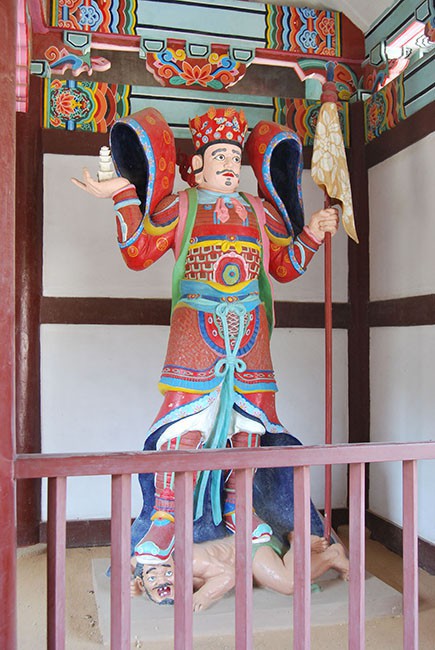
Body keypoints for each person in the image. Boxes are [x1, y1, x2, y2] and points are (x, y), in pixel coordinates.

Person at [72, 106, 339, 566]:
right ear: (196, 165)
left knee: (247, 425)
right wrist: (122, 194)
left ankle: (240, 506)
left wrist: (312, 235)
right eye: (219, 156)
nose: (230, 164)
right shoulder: (180, 206)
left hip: (250, 331)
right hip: (196, 327)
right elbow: (138, 253)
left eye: (235, 157)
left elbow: (282, 268)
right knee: (185, 424)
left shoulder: (260, 211)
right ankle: (165, 516)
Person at [130, 532, 349, 611]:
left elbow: (229, 574)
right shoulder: (146, 567)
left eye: (166, 573)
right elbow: (132, 563)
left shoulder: (192, 560)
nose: (161, 579)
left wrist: (205, 595)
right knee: (275, 580)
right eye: (152, 578)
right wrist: (138, 587)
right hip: (247, 569)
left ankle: (314, 549)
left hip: (249, 548)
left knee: (288, 583)